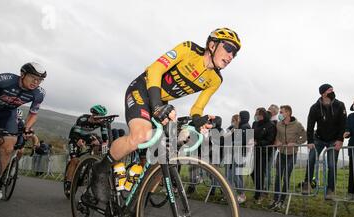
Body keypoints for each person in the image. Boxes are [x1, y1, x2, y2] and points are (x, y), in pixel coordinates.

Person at [88, 28, 241, 206]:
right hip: (143, 90)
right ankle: (100, 169)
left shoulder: (215, 79)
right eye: (229, 48)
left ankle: (136, 195)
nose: (231, 55)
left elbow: (197, 107)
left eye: (235, 53)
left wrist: (200, 119)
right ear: (212, 44)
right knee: (140, 135)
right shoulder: (189, 49)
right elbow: (155, 70)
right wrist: (157, 105)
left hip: (161, 102)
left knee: (169, 150)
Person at [0, 62, 46, 196]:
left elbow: (33, 114)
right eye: (32, 77)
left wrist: (27, 128)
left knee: (8, 147)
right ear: (22, 74)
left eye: (40, 80)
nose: (36, 82)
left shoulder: (39, 94)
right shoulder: (4, 80)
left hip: (7, 114)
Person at [302, 84, 347, 200]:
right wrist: (310, 140)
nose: (332, 91)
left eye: (333, 89)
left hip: (334, 140)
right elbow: (310, 125)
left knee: (332, 165)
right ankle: (307, 184)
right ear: (323, 93)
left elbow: (343, 124)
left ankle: (330, 189)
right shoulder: (315, 107)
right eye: (329, 90)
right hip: (318, 139)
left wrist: (340, 140)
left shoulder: (340, 105)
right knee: (311, 159)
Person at [269, 105, 306, 211]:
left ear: (288, 113)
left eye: (282, 112)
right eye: (280, 112)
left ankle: (282, 201)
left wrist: (295, 143)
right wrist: (277, 142)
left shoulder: (297, 125)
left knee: (286, 177)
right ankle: (275, 199)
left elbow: (304, 136)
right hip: (281, 153)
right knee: (278, 177)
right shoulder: (279, 125)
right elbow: (276, 138)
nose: (280, 114)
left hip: (292, 154)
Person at [65, 105, 109, 191]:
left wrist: (104, 146)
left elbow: (105, 138)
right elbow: (76, 134)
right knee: (75, 160)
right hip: (75, 136)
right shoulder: (82, 119)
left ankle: (93, 160)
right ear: (93, 114)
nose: (100, 120)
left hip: (86, 136)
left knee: (97, 142)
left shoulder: (102, 122)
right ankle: (69, 182)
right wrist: (78, 141)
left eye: (102, 117)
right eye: (99, 117)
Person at [251, 107, 276, 204]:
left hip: (264, 152)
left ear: (262, 115)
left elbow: (270, 139)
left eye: (258, 114)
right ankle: (261, 189)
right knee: (252, 172)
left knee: (260, 173)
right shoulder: (255, 124)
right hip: (254, 152)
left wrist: (259, 143)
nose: (256, 116)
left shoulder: (270, 125)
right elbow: (251, 135)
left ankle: (259, 194)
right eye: (256, 114)